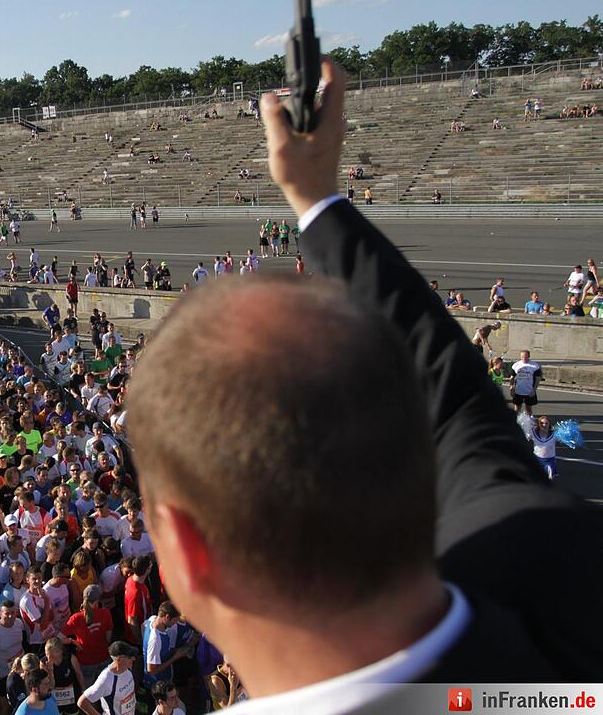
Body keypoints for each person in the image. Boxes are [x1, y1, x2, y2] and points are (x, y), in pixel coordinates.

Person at [124, 59, 603, 714]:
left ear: (185, 550)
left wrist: (314, 199)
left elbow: (451, 393)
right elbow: (455, 394)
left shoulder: (525, 530)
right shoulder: (549, 555)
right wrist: (317, 201)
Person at [76, 641, 138, 715]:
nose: (134, 659)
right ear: (120, 660)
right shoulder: (106, 680)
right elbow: (82, 702)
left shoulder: (128, 668)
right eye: (130, 657)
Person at [510, 349, 542, 416]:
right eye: (522, 357)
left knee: (529, 409)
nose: (524, 358)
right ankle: (516, 423)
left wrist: (534, 390)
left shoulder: (534, 366)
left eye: (525, 356)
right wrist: (511, 388)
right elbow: (512, 377)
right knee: (517, 408)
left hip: (529, 390)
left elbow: (538, 379)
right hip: (518, 390)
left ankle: (529, 423)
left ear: (529, 356)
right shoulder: (516, 365)